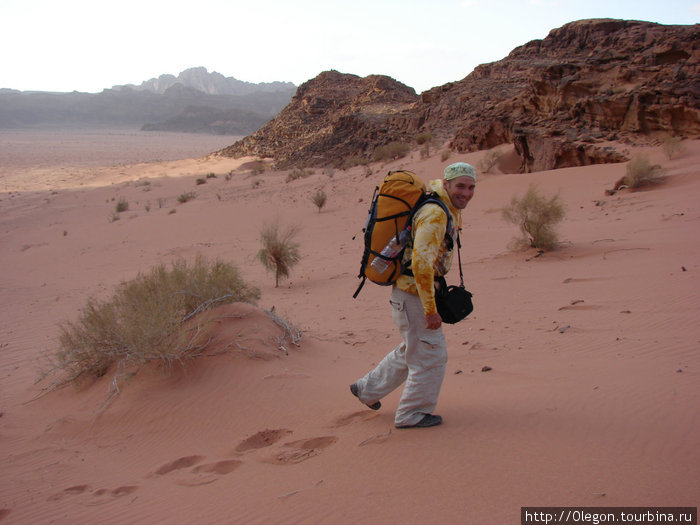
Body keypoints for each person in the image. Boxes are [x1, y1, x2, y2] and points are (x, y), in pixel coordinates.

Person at [350, 162, 477, 428]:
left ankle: (366, 389)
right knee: (431, 355)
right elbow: (421, 264)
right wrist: (431, 310)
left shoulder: (444, 207)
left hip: (410, 295)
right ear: (446, 184)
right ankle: (412, 414)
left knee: (414, 348)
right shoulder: (436, 213)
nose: (466, 192)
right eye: (460, 186)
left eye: (471, 186)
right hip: (414, 297)